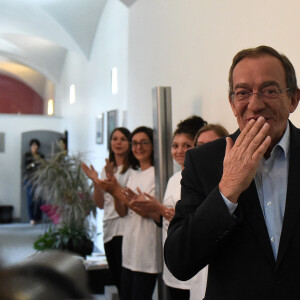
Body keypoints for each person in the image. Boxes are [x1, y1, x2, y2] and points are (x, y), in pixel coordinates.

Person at [164, 45, 300, 300]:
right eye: (243, 92)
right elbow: (179, 261)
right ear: (232, 102)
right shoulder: (203, 161)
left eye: (270, 91)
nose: (255, 104)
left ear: (293, 99)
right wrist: (227, 189)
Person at [129, 116, 207, 300]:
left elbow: (194, 222)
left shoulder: (200, 179)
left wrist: (158, 207)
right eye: (175, 145)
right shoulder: (174, 179)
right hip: (172, 264)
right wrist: (149, 208)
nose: (179, 151)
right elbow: (165, 218)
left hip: (193, 267)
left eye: (186, 145)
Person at [94, 126, 162, 300]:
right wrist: (114, 189)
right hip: (129, 250)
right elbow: (122, 211)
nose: (139, 147)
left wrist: (116, 190)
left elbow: (147, 212)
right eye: (135, 143)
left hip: (146, 252)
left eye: (144, 142)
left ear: (153, 145)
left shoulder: (157, 174)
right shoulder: (134, 175)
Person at [81, 127, 136, 295]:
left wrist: (113, 183)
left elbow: (125, 208)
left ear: (129, 143)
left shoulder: (133, 170)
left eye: (122, 139)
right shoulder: (106, 169)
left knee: (125, 280)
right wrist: (96, 180)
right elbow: (99, 204)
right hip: (108, 229)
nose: (118, 142)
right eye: (115, 138)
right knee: (117, 278)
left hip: (124, 229)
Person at [24, 138, 45, 225]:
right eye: (33, 145)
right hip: (29, 180)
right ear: (30, 146)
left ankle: (38, 218)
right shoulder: (27, 155)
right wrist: (34, 164)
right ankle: (32, 218)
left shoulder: (41, 155)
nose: (35, 147)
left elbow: (42, 166)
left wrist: (33, 164)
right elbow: (28, 166)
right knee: (30, 199)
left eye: (36, 145)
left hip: (39, 179)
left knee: (40, 199)